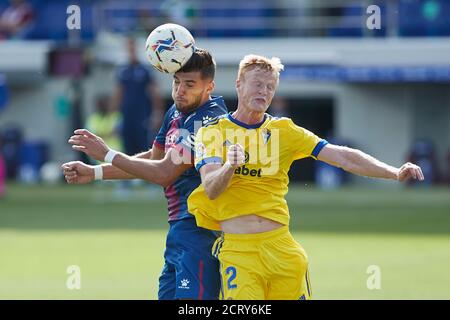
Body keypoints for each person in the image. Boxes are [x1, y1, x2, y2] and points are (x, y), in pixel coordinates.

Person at [187, 54, 425, 300]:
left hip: (281, 248)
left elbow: (343, 157)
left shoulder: (285, 131)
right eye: (258, 84)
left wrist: (394, 172)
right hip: (239, 251)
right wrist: (230, 166)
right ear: (239, 84)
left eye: (270, 87)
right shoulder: (212, 132)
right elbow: (211, 188)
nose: (264, 91)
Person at [62, 48, 228, 300]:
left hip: (200, 231)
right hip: (178, 230)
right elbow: (153, 159)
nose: (180, 90)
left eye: (189, 84)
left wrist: (107, 154)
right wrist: (95, 172)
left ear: (209, 86)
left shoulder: (207, 121)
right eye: (176, 82)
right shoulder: (176, 113)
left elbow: (164, 173)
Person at [112, 37, 164, 157]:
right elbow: (118, 93)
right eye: (129, 47)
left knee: (143, 144)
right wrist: (113, 115)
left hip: (142, 113)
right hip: (126, 114)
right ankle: (130, 174)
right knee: (127, 145)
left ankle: (144, 172)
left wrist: (157, 111)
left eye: (133, 46)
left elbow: (154, 92)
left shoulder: (145, 69)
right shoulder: (122, 69)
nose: (131, 50)